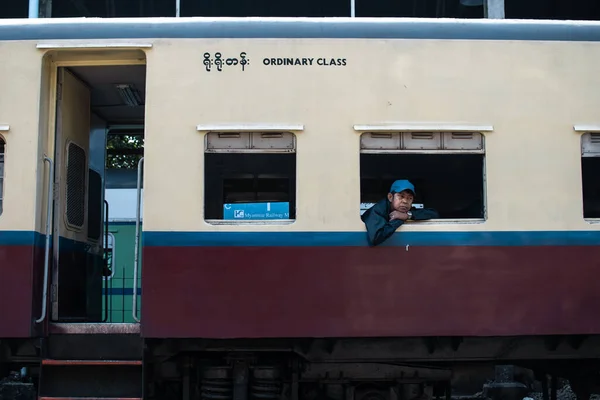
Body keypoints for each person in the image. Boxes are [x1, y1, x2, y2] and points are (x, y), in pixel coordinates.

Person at [361, 179, 439, 247]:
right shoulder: (377, 210)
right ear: (390, 197)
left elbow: (433, 213)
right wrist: (398, 220)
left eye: (410, 198)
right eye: (401, 196)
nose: (405, 201)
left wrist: (406, 216)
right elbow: (376, 238)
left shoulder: (405, 210)